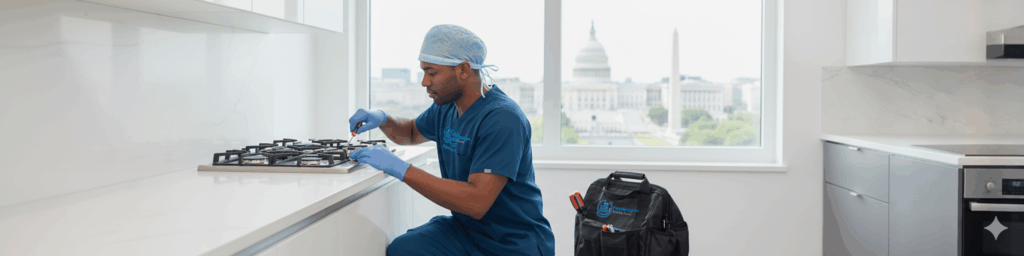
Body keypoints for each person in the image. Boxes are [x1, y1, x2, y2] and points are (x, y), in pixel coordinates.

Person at [347, 24, 554, 256]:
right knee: (403, 250)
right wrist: (384, 119)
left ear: (464, 70)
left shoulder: (502, 118)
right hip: (467, 231)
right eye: (423, 72)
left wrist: (401, 169)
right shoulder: (446, 107)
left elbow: (476, 202)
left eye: (432, 72)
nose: (425, 82)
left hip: (512, 243)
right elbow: (412, 132)